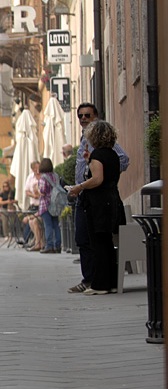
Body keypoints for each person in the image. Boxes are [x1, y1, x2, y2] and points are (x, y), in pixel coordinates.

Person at [66, 103, 130, 294]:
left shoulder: (103, 148)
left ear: (96, 118)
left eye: (87, 115)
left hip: (96, 199)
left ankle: (97, 282)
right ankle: (91, 280)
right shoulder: (90, 144)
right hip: (88, 198)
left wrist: (88, 182)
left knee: (98, 241)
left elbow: (119, 163)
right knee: (85, 240)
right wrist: (90, 163)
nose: (83, 119)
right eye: (80, 116)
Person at [36, 158, 62, 253]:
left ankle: (49, 245)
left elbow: (43, 192)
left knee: (48, 225)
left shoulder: (43, 177)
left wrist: (37, 190)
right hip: (55, 203)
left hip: (46, 204)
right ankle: (58, 245)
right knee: (56, 225)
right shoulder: (56, 176)